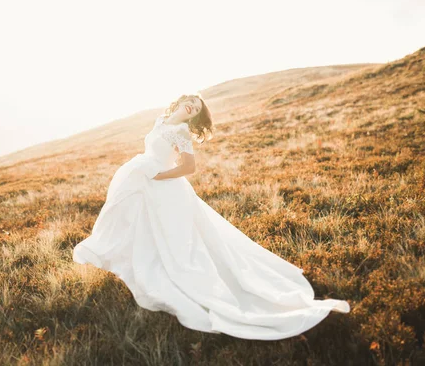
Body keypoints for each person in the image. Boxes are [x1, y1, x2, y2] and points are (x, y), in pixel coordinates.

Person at [72, 93, 350, 340]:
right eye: (190, 102)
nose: (193, 107)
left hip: (163, 187)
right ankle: (129, 259)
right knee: (137, 226)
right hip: (142, 180)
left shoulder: (181, 132)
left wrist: (158, 175)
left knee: (176, 239)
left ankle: (184, 278)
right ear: (180, 102)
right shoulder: (162, 121)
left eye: (197, 107)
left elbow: (188, 167)